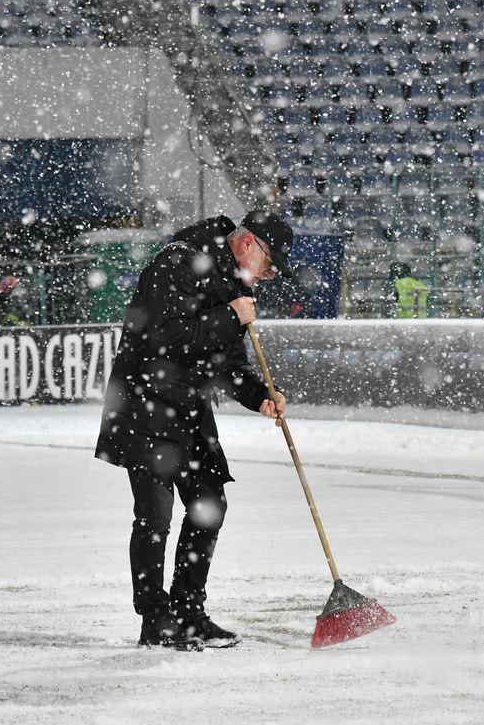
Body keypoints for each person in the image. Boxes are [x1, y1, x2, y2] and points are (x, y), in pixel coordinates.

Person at [95, 211, 292, 650]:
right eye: (270, 264)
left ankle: (187, 612)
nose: (269, 276)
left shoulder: (230, 284)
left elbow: (229, 363)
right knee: (155, 516)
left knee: (210, 503)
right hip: (145, 404)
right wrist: (229, 315)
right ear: (248, 246)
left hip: (187, 408)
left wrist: (261, 394)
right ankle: (155, 619)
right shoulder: (177, 263)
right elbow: (168, 338)